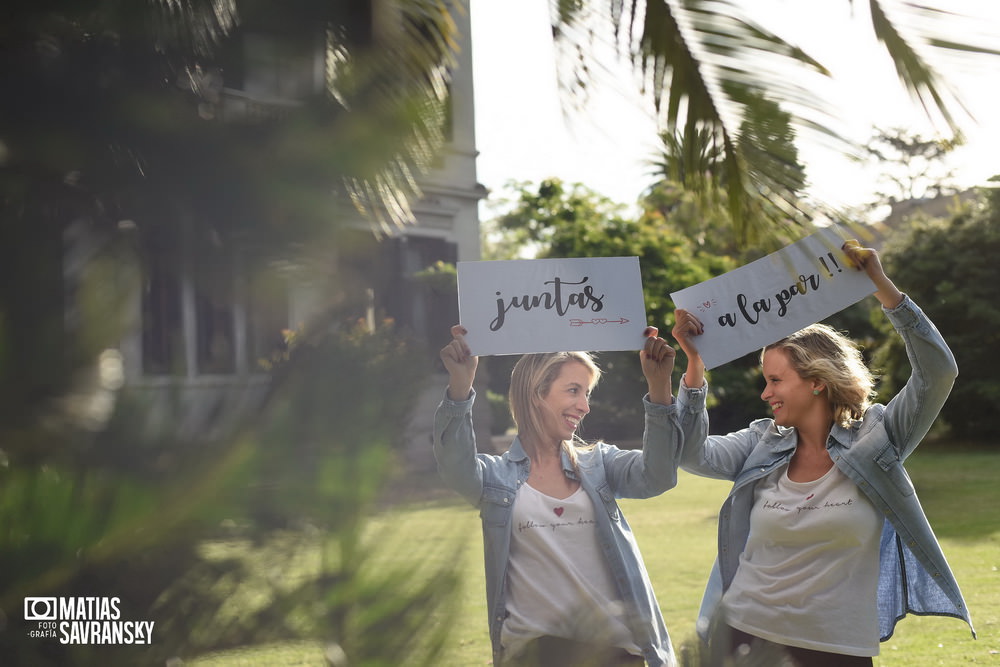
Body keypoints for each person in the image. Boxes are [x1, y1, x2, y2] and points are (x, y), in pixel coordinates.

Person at [669, 240, 975, 666]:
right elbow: (688, 453)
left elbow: (938, 372)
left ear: (816, 380)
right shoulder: (762, 440)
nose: (765, 392)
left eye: (775, 380)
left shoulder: (878, 436)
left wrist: (881, 286)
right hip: (743, 638)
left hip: (838, 649)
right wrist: (694, 369)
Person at [433, 324, 704, 666]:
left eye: (587, 393)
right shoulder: (495, 477)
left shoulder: (599, 464)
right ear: (536, 393)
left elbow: (658, 476)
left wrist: (659, 386)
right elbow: (455, 466)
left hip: (615, 654)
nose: (584, 406)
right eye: (574, 390)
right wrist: (460, 385)